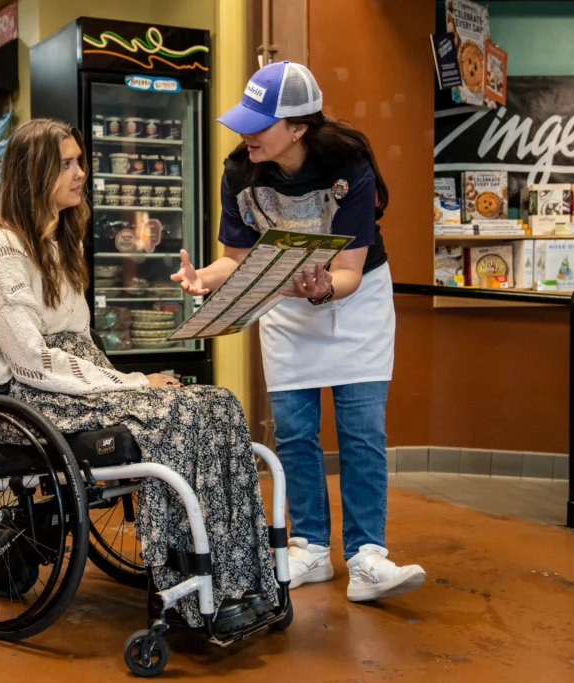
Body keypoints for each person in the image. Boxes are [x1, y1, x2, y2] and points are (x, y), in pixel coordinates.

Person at [0, 117, 276, 628]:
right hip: (31, 402)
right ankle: (182, 584)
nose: (81, 173)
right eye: (66, 164)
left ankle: (238, 578)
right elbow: (30, 361)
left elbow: (82, 348)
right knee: (172, 418)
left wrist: (134, 383)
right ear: (33, 173)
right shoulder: (1, 249)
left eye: (80, 161)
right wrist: (133, 384)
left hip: (74, 387)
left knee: (216, 404)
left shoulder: (60, 245)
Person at [171, 61, 426, 602]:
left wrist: (321, 290)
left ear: (298, 127)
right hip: (285, 301)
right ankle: (310, 546)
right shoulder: (240, 172)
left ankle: (366, 557)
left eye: (258, 125)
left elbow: (350, 272)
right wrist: (205, 280)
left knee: (360, 431)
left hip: (353, 301)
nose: (245, 135)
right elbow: (235, 259)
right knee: (293, 431)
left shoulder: (349, 165)